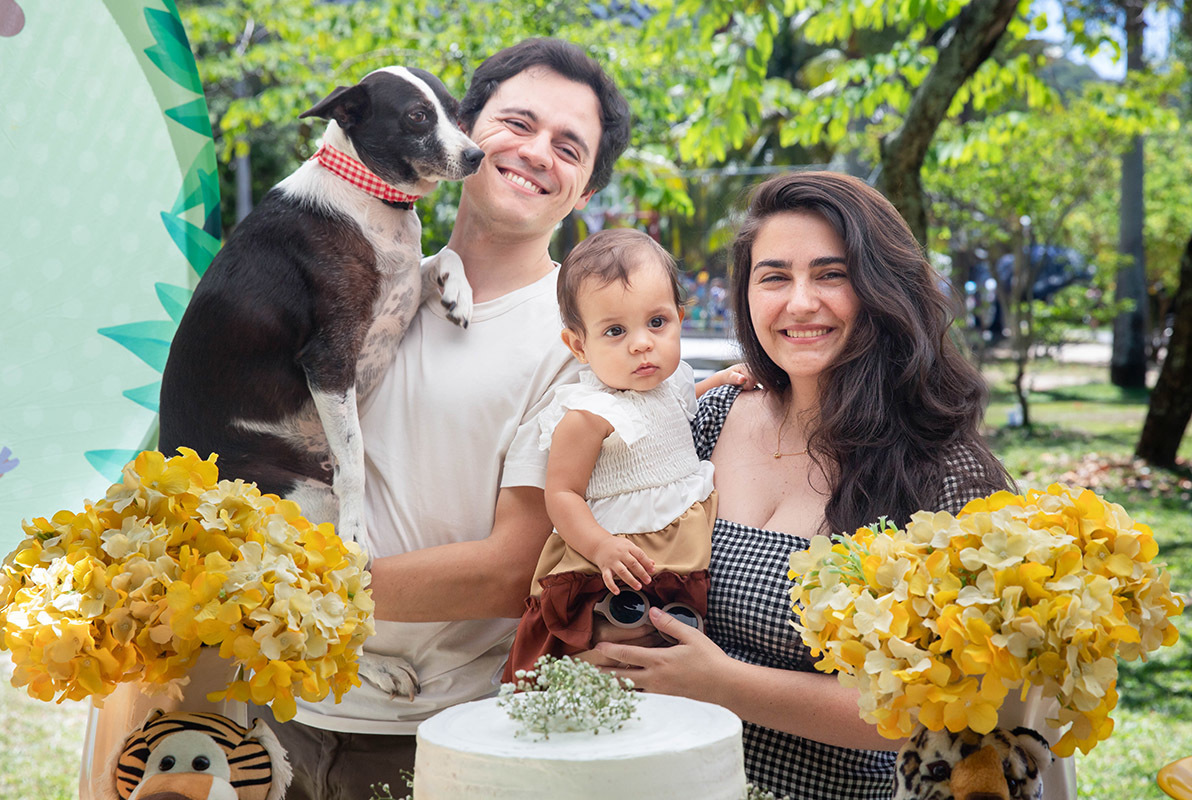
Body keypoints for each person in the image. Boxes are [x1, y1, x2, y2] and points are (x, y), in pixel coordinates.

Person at [249, 38, 631, 800]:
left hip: (428, 738)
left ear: (585, 189)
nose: (533, 153)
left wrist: (273, 594)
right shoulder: (347, 273)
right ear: (464, 124)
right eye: (515, 123)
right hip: (271, 710)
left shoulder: (578, 346)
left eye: (568, 146)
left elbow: (506, 572)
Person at [593, 171, 1012, 800]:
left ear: (881, 288)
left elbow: (931, 710)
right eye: (774, 277)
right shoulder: (708, 421)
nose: (799, 302)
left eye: (831, 274)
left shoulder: (943, 473)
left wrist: (725, 684)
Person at [502, 228, 750, 680]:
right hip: (618, 552)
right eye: (615, 331)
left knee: (672, 641)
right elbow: (562, 495)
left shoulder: (671, 382)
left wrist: (719, 381)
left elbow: (671, 411)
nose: (642, 343)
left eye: (657, 323)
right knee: (615, 645)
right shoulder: (587, 414)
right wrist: (600, 546)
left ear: (678, 318)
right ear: (579, 346)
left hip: (677, 544)